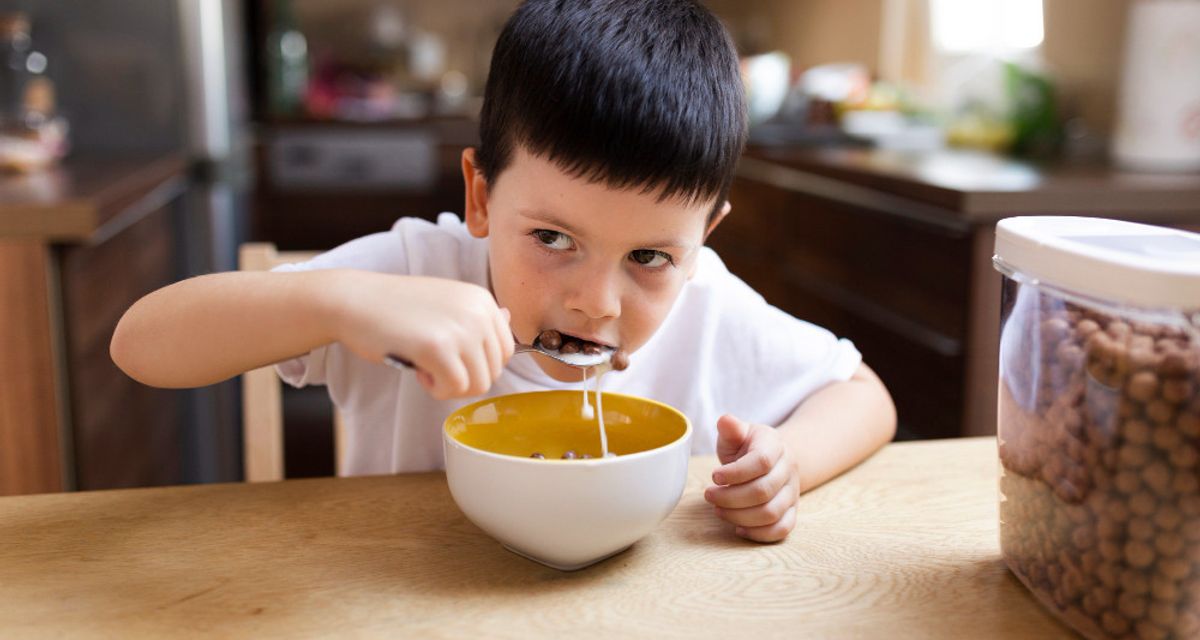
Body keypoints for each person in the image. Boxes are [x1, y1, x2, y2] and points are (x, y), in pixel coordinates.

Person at [111, 0, 896, 543]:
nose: (595, 302)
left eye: (650, 258)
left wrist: (789, 463)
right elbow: (139, 344)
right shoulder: (412, 272)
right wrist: (337, 299)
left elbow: (862, 395)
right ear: (481, 197)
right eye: (553, 237)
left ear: (703, 240)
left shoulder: (708, 303)